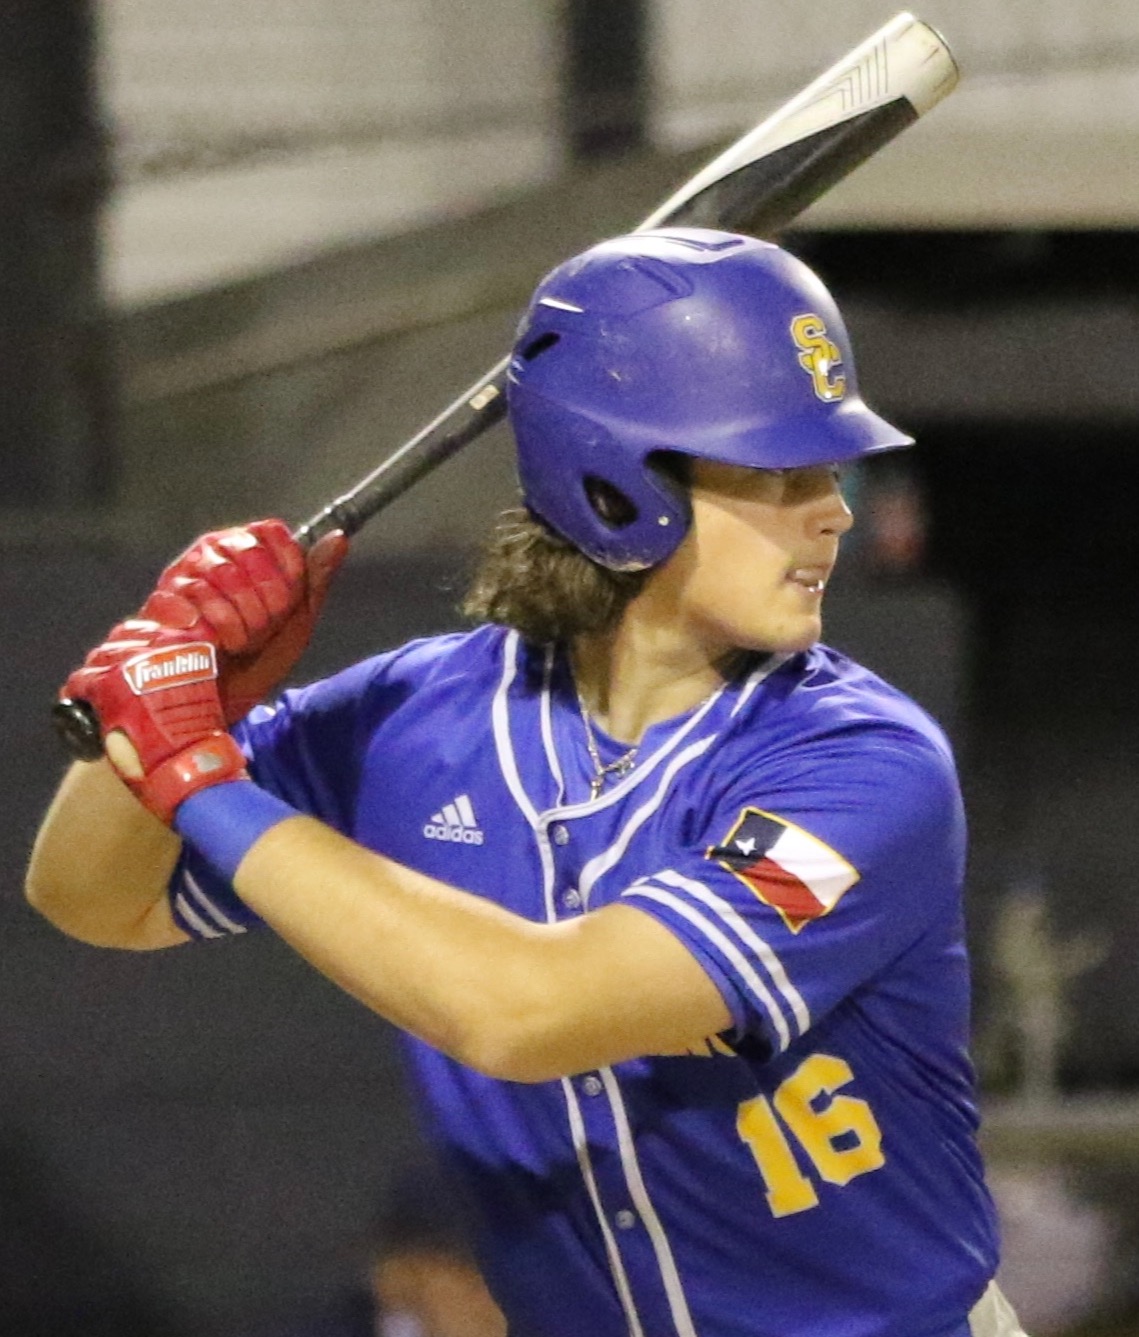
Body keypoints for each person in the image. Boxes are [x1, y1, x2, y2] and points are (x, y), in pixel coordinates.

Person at [27, 229, 1027, 1337]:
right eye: (775, 473)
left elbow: (533, 1011)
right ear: (618, 485)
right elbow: (92, 895)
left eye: (824, 470)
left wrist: (198, 772)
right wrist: (181, 700)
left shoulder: (859, 762)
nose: (832, 508)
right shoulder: (418, 717)